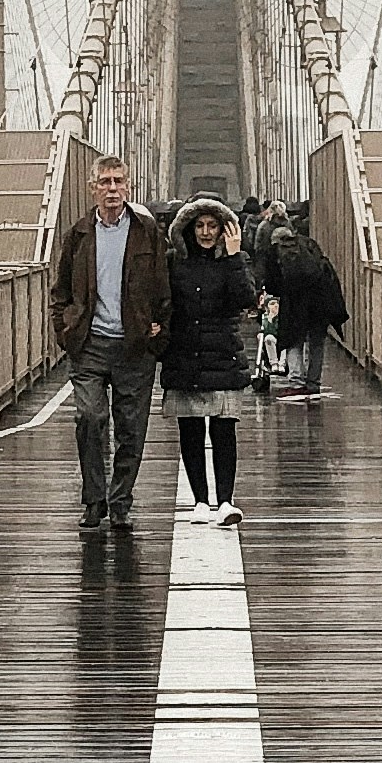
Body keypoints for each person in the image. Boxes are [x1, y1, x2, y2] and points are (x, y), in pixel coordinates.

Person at [49, 152, 170, 532]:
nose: (112, 189)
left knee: (131, 429)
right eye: (105, 182)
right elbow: (61, 290)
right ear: (93, 188)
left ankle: (120, 503)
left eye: (118, 181)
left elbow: (163, 285)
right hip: (90, 343)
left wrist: (159, 328)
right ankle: (93, 500)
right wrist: (64, 330)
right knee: (89, 417)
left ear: (128, 187)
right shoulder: (78, 235)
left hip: (134, 346)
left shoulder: (147, 231)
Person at [161, 196, 267, 525]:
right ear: (188, 229)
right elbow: (161, 301)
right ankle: (200, 501)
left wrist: (234, 257)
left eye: (212, 226)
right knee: (191, 430)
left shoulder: (236, 259)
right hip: (185, 353)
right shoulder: (174, 261)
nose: (206, 232)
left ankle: (225, 501)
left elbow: (246, 299)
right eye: (200, 226)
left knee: (224, 430)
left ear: (224, 229)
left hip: (223, 354)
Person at [259, 201, 347, 400]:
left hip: (294, 303)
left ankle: (297, 382)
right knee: (317, 344)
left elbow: (272, 285)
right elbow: (325, 268)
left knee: (294, 341)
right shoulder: (308, 244)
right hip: (320, 302)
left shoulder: (275, 253)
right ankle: (314, 383)